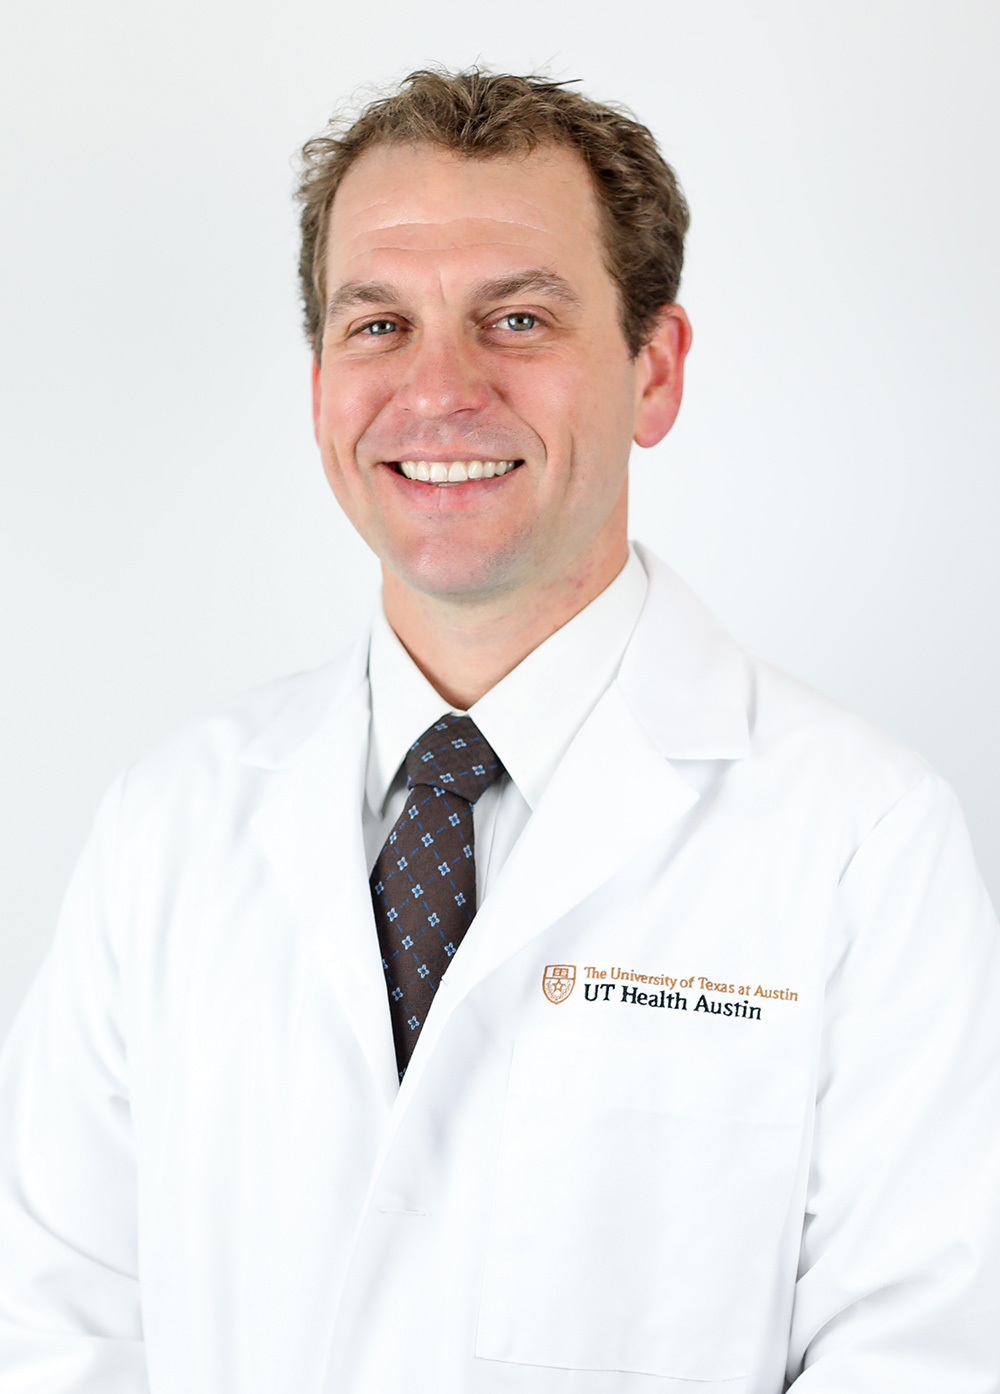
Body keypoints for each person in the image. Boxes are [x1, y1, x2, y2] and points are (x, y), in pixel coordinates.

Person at [1, 66, 998, 1394]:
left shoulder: (864, 842)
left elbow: (917, 1354)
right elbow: (56, 1322)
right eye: (378, 327)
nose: (438, 389)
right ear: (318, 388)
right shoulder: (168, 824)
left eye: (516, 317)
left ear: (654, 369)